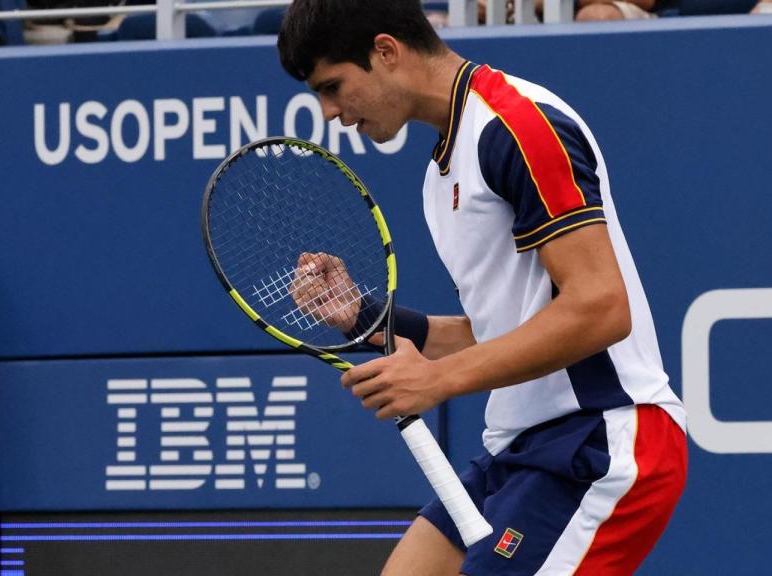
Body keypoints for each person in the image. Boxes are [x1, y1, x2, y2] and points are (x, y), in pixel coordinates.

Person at [277, 1, 687, 574]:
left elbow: (601, 309)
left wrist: (436, 381)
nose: (328, 112)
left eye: (332, 85)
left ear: (385, 51)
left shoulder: (519, 127)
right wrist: (364, 318)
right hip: (517, 448)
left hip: (601, 439)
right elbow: (506, 333)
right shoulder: (439, 174)